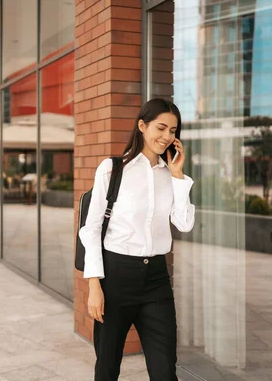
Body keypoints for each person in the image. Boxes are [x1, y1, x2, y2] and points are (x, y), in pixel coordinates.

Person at [79, 98, 195, 381]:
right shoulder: (112, 169)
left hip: (156, 279)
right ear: (142, 126)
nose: (167, 136)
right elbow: (91, 229)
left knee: (165, 369)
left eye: (173, 131)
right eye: (161, 127)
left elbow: (185, 223)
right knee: (107, 367)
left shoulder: (172, 177)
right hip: (115, 277)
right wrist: (94, 285)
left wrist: (179, 177)